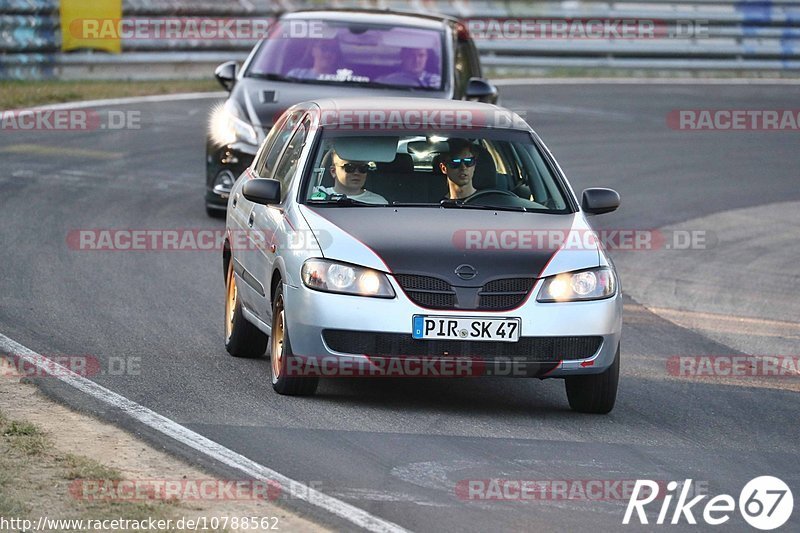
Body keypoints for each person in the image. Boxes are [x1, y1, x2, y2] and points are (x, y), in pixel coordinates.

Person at [314, 151, 387, 204]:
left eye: (363, 168)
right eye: (349, 168)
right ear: (333, 171)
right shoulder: (315, 195)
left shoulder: (379, 203)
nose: (356, 173)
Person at [376, 47, 441, 89]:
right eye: (411, 55)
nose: (416, 60)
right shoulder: (387, 81)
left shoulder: (437, 82)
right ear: (403, 57)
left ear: (427, 58)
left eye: (421, 55)